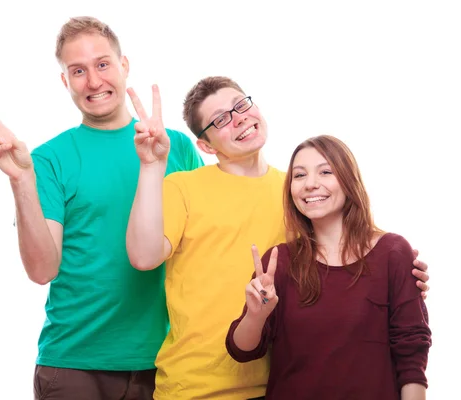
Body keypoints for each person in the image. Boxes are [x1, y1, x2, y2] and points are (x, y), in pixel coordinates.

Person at [126, 76, 430, 399]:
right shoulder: (184, 189)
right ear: (206, 146)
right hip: (197, 388)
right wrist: (151, 165)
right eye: (220, 119)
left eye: (241, 105)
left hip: (276, 384)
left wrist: (401, 270)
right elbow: (144, 257)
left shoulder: (299, 192)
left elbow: (348, 251)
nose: (239, 118)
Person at [0, 16, 203, 400]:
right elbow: (42, 270)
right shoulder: (49, 159)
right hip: (74, 365)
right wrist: (21, 180)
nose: (93, 81)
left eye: (103, 64)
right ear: (65, 81)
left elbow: (199, 255)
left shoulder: (175, 148)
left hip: (167, 360)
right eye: (78, 71)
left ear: (124, 66)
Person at [226, 135, 432, 399]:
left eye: (325, 172)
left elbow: (412, 352)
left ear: (348, 180)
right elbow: (241, 351)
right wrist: (256, 315)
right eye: (299, 176)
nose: (311, 184)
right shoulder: (279, 262)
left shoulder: (393, 252)